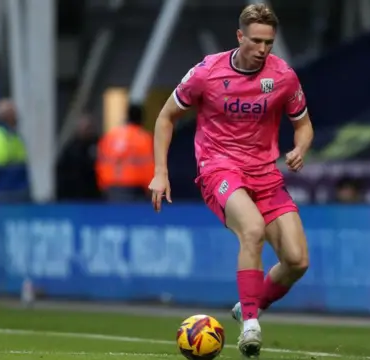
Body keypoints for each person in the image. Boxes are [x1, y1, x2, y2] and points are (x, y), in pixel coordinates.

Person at [148, 3, 313, 358]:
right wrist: (160, 172)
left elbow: (303, 123)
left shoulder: (283, 76)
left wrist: (301, 147)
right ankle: (250, 325)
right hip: (218, 168)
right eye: (255, 41)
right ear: (240, 36)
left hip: (265, 174)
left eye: (268, 42)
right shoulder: (207, 73)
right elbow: (165, 118)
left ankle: (249, 305)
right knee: (251, 229)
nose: (262, 50)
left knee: (297, 261)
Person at [96, 105, 154, 202]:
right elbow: (151, 165)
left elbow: (100, 162)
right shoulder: (145, 138)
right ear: (141, 119)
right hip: (136, 189)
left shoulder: (110, 136)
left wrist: (102, 185)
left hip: (111, 188)